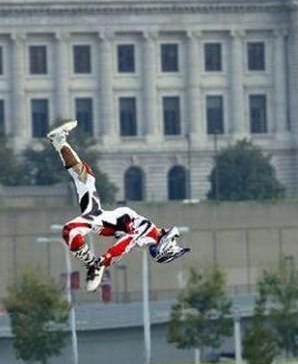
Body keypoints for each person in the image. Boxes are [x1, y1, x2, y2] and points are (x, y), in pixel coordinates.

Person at [46, 120, 190, 292]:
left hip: (99, 220)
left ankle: (93, 265)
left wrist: (103, 262)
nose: (172, 236)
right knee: (84, 177)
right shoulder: (149, 233)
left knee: (70, 229)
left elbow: (125, 244)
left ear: (165, 246)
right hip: (98, 214)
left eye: (172, 241)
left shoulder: (148, 233)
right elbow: (126, 242)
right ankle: (59, 140)